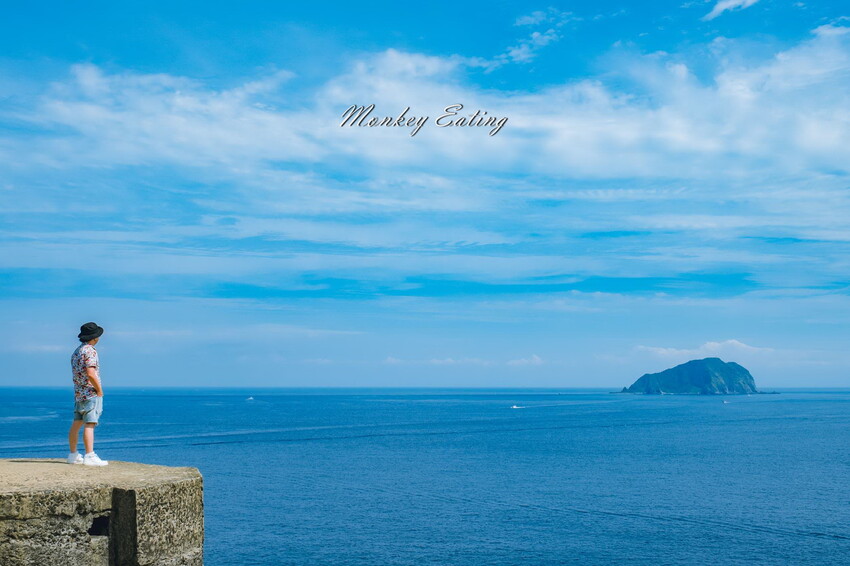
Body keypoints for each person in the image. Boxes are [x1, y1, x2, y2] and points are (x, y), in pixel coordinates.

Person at [67, 322, 109, 466]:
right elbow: (91, 373)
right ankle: (90, 455)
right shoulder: (90, 351)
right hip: (90, 393)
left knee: (76, 423)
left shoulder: (77, 351)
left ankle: (73, 455)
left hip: (79, 393)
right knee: (90, 424)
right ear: (95, 337)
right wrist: (99, 390)